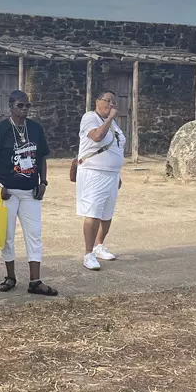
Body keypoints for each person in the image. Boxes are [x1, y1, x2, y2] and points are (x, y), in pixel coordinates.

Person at [0, 90, 57, 296]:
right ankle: (10, 277)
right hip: (7, 191)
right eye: (20, 106)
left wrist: (44, 182)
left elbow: (41, 157)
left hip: (30, 191)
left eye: (27, 106)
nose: (24, 109)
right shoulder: (0, 130)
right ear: (11, 107)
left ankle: (35, 281)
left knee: (34, 234)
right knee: (7, 236)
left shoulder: (35, 129)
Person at [75, 89, 126, 270]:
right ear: (97, 101)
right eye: (108, 101)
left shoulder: (114, 126)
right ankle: (88, 254)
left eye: (114, 103)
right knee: (93, 213)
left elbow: (116, 149)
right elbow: (97, 137)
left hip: (111, 174)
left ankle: (98, 246)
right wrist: (110, 118)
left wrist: (118, 174)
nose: (111, 105)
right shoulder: (90, 118)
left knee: (107, 214)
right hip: (94, 172)